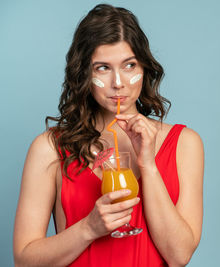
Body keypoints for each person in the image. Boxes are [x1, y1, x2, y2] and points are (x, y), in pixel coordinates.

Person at [13, 4, 204, 267]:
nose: (118, 83)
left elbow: (179, 255)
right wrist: (88, 229)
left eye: (129, 65)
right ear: (84, 74)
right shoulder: (49, 148)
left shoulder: (184, 144)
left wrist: (148, 164)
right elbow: (24, 261)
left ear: (144, 69)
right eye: (102, 68)